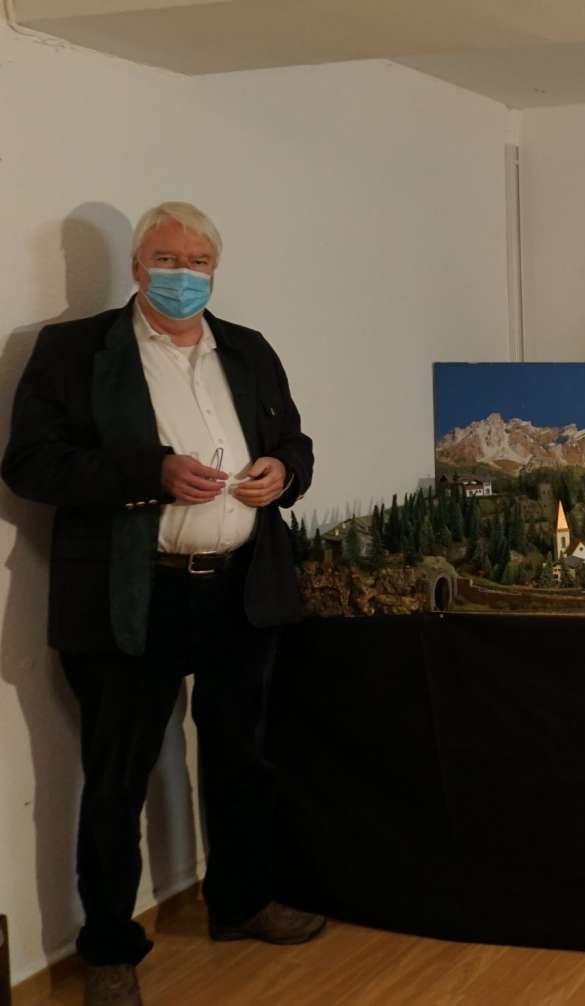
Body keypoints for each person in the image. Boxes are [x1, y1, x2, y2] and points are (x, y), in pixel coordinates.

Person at [3, 202, 320, 1006]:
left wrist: (283, 472)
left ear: (216, 269)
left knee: (242, 755)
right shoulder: (75, 351)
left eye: (199, 260)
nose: (184, 274)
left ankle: (242, 900)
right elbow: (31, 464)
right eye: (167, 258)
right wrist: (150, 472)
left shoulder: (246, 348)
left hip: (240, 589)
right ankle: (109, 949)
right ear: (137, 265)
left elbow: (294, 442)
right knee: (117, 776)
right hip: (131, 595)